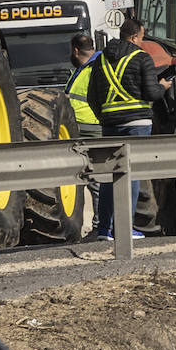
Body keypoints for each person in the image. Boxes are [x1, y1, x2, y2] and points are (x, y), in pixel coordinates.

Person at [87, 18, 170, 240]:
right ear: (134, 37)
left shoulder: (101, 59)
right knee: (132, 176)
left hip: (110, 125)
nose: (142, 42)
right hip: (137, 125)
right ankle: (125, 228)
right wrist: (162, 87)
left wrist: (105, 117)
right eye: (141, 38)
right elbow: (152, 94)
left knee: (108, 176)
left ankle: (104, 229)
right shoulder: (142, 58)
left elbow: (91, 96)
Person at [65, 32, 103, 231]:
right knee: (89, 179)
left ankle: (101, 226)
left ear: (75, 50)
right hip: (82, 127)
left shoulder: (95, 66)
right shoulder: (85, 68)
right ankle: (99, 225)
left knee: (96, 180)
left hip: (89, 127)